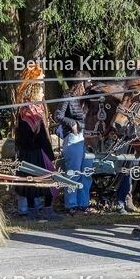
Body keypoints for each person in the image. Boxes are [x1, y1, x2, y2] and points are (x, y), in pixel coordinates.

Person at [16, 65, 57, 220]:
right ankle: (37, 210)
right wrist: (49, 153)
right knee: (38, 181)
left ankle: (41, 210)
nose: (44, 76)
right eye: (41, 75)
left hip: (35, 150)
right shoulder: (29, 111)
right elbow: (37, 135)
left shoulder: (34, 107)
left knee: (40, 181)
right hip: (34, 151)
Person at [55, 71, 93, 214]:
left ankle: (84, 204)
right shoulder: (68, 96)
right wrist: (72, 123)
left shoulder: (89, 98)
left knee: (86, 172)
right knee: (73, 172)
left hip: (88, 137)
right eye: (87, 82)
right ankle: (71, 204)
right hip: (74, 137)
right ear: (81, 83)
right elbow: (58, 115)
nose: (89, 85)